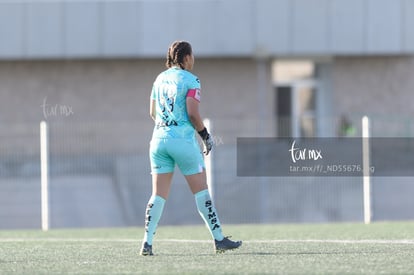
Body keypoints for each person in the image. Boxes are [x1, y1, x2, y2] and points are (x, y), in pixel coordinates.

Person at [140, 41, 242, 256]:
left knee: (158, 195)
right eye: (192, 55)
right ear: (186, 57)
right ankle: (219, 239)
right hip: (183, 141)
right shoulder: (191, 80)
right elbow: (193, 113)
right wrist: (205, 135)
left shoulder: (159, 79)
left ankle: (147, 243)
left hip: (158, 140)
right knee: (201, 191)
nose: (193, 59)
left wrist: (166, 126)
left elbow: (152, 112)